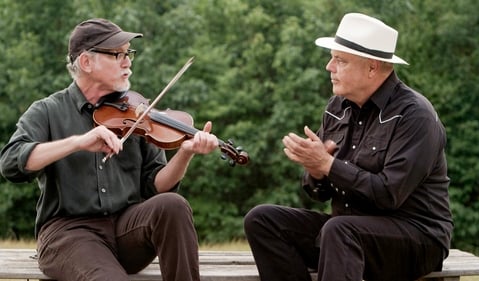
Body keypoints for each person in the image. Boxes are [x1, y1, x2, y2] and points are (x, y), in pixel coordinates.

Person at [0, 18, 219, 281]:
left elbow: (156, 186)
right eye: (118, 54)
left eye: (129, 54)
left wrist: (185, 153)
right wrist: (78, 142)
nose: (128, 62)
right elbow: (11, 163)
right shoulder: (47, 111)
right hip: (69, 234)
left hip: (127, 230)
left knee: (173, 205)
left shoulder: (136, 112)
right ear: (86, 62)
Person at [244, 12, 453, 281]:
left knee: (339, 230)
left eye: (340, 60)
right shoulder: (336, 108)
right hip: (346, 233)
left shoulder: (415, 116)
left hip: (417, 237)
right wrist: (317, 172)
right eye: (332, 58)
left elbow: (388, 195)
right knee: (262, 220)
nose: (329, 67)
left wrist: (328, 165)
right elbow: (318, 193)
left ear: (372, 67)